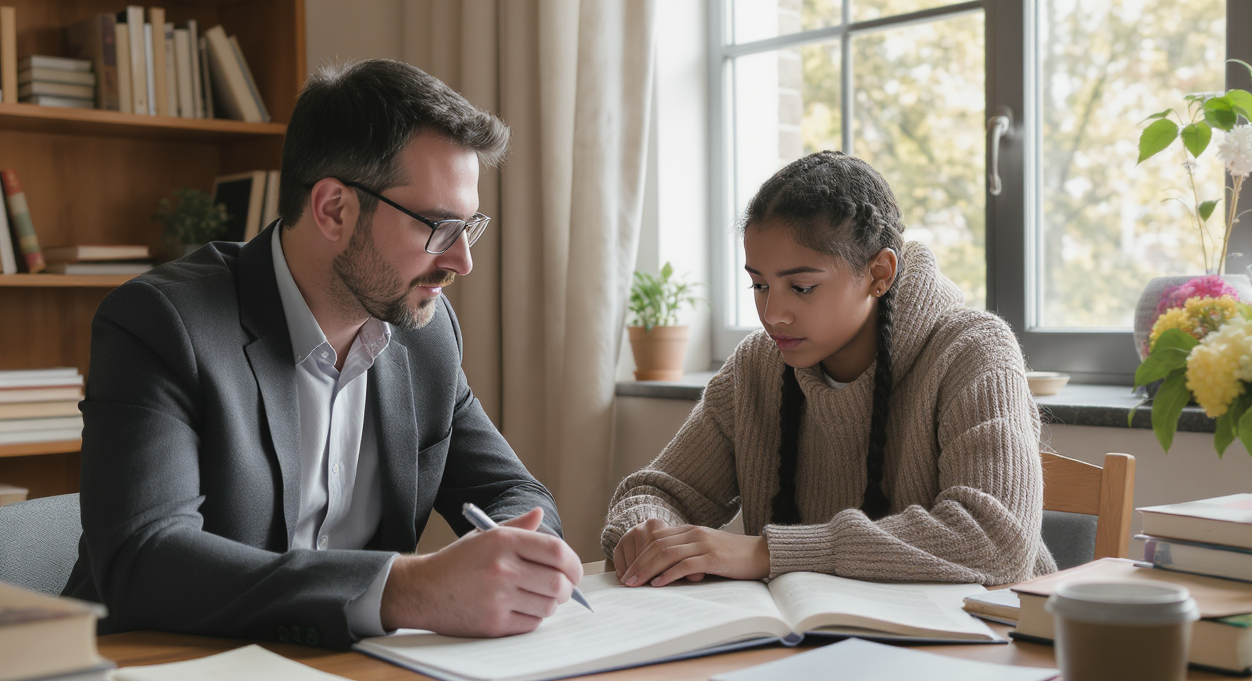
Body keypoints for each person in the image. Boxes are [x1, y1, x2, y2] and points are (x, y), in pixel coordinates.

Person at [63, 60, 583, 648]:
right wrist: (405, 589)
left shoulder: (424, 334)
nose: (461, 260)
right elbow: (144, 560)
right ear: (333, 209)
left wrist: (520, 559)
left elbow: (516, 494)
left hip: (348, 676)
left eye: (469, 227)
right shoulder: (163, 324)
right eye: (438, 227)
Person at [603, 151, 1054, 589]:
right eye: (759, 284)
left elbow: (998, 541)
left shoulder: (974, 351)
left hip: (984, 647)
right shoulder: (757, 364)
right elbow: (660, 491)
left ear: (880, 272)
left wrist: (767, 553)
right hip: (811, 643)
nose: (772, 313)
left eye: (802, 287)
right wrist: (647, 531)